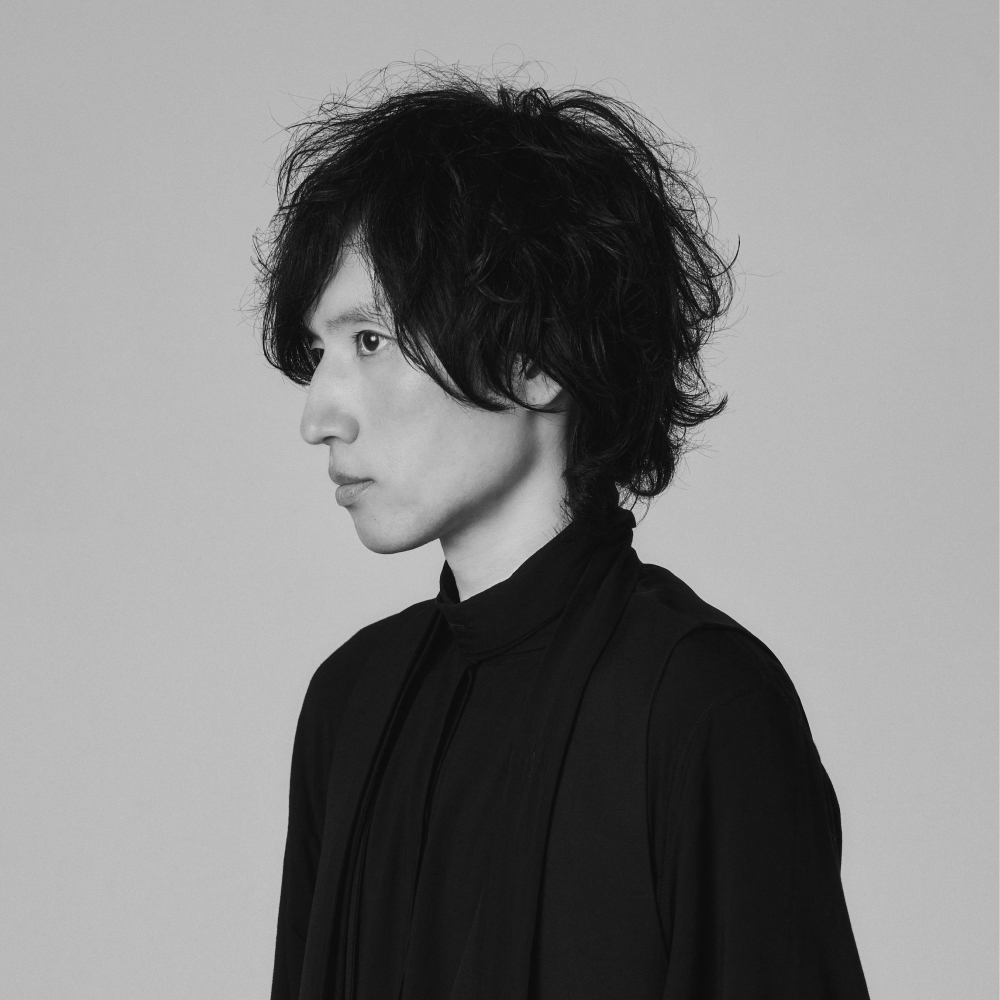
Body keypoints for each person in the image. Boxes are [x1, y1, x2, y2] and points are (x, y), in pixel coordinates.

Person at [257, 67, 871, 1000]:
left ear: (535, 357)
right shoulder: (349, 703)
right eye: (317, 353)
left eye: (370, 341)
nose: (319, 415)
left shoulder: (703, 709)